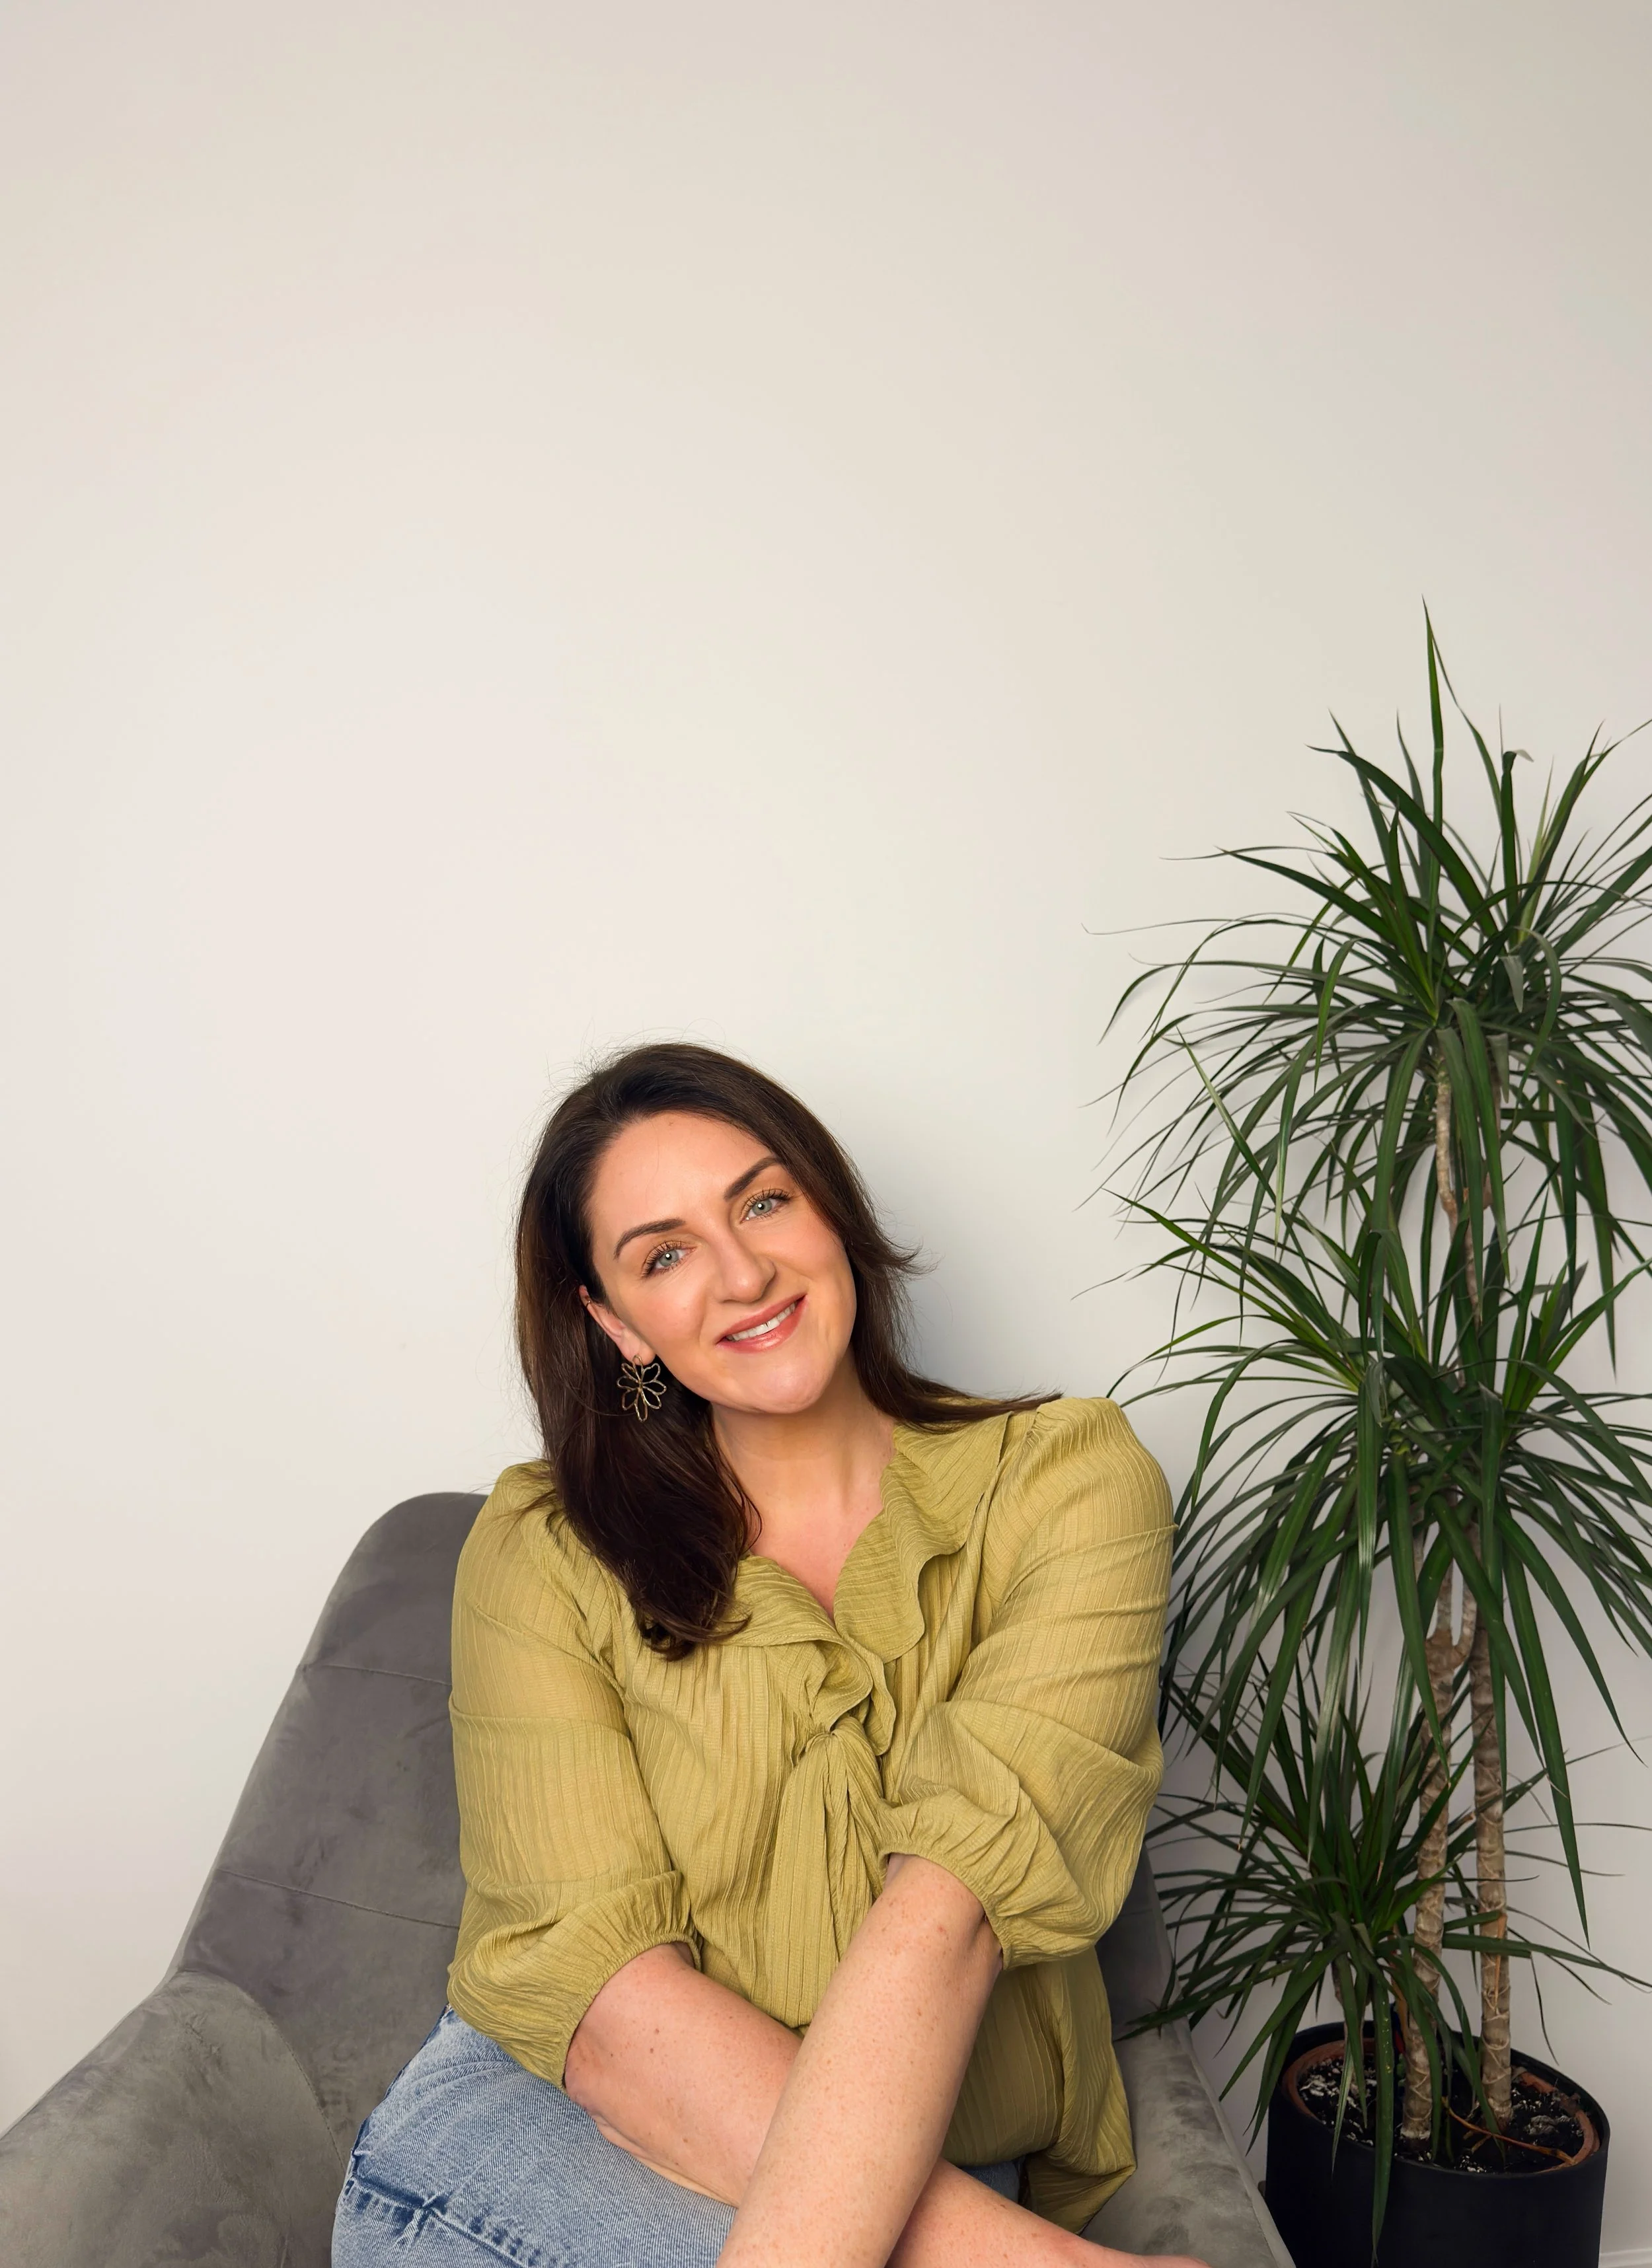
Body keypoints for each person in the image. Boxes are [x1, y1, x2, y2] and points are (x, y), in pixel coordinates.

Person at [333, 1043, 1207, 2268]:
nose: (742, 1273)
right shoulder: (541, 1547)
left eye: (763, 1200)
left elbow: (949, 1914)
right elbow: (605, 2001)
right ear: (614, 1322)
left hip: (930, 2157)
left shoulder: (1068, 1480)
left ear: (830, 1208)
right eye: (664, 1254)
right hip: (546, 2127)